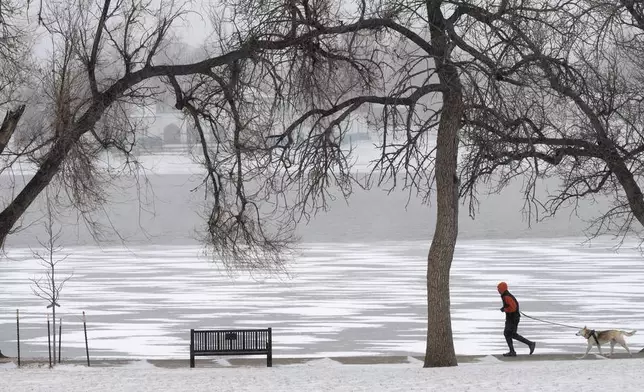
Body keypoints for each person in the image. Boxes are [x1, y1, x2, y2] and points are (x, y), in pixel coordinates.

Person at [497, 281, 536, 357]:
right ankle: (528, 345)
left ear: (502, 289)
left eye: (498, 289)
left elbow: (513, 308)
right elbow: (511, 306)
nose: (498, 291)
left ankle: (516, 350)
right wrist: (505, 308)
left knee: (508, 333)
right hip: (513, 318)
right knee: (511, 334)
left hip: (512, 318)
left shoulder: (506, 296)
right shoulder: (506, 295)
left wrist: (505, 309)